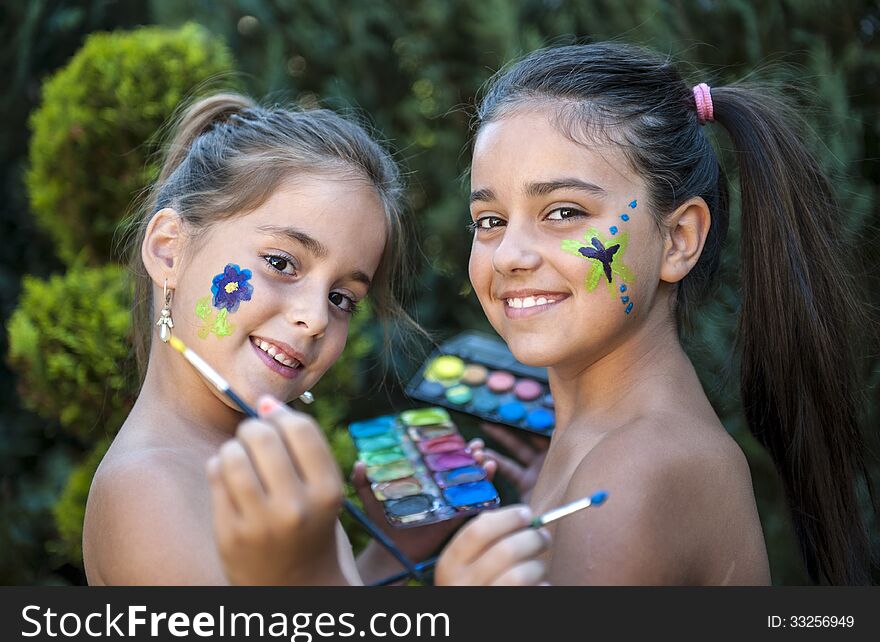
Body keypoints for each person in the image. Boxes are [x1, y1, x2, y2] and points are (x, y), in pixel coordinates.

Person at [82, 93, 550, 586]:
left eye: (342, 297)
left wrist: (391, 554)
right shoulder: (151, 490)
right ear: (169, 250)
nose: (315, 318)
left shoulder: (252, 458)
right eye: (281, 264)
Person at [465, 42, 877, 585]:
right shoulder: (610, 455)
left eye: (564, 212)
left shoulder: (629, 477)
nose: (511, 255)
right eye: (489, 219)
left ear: (679, 240)